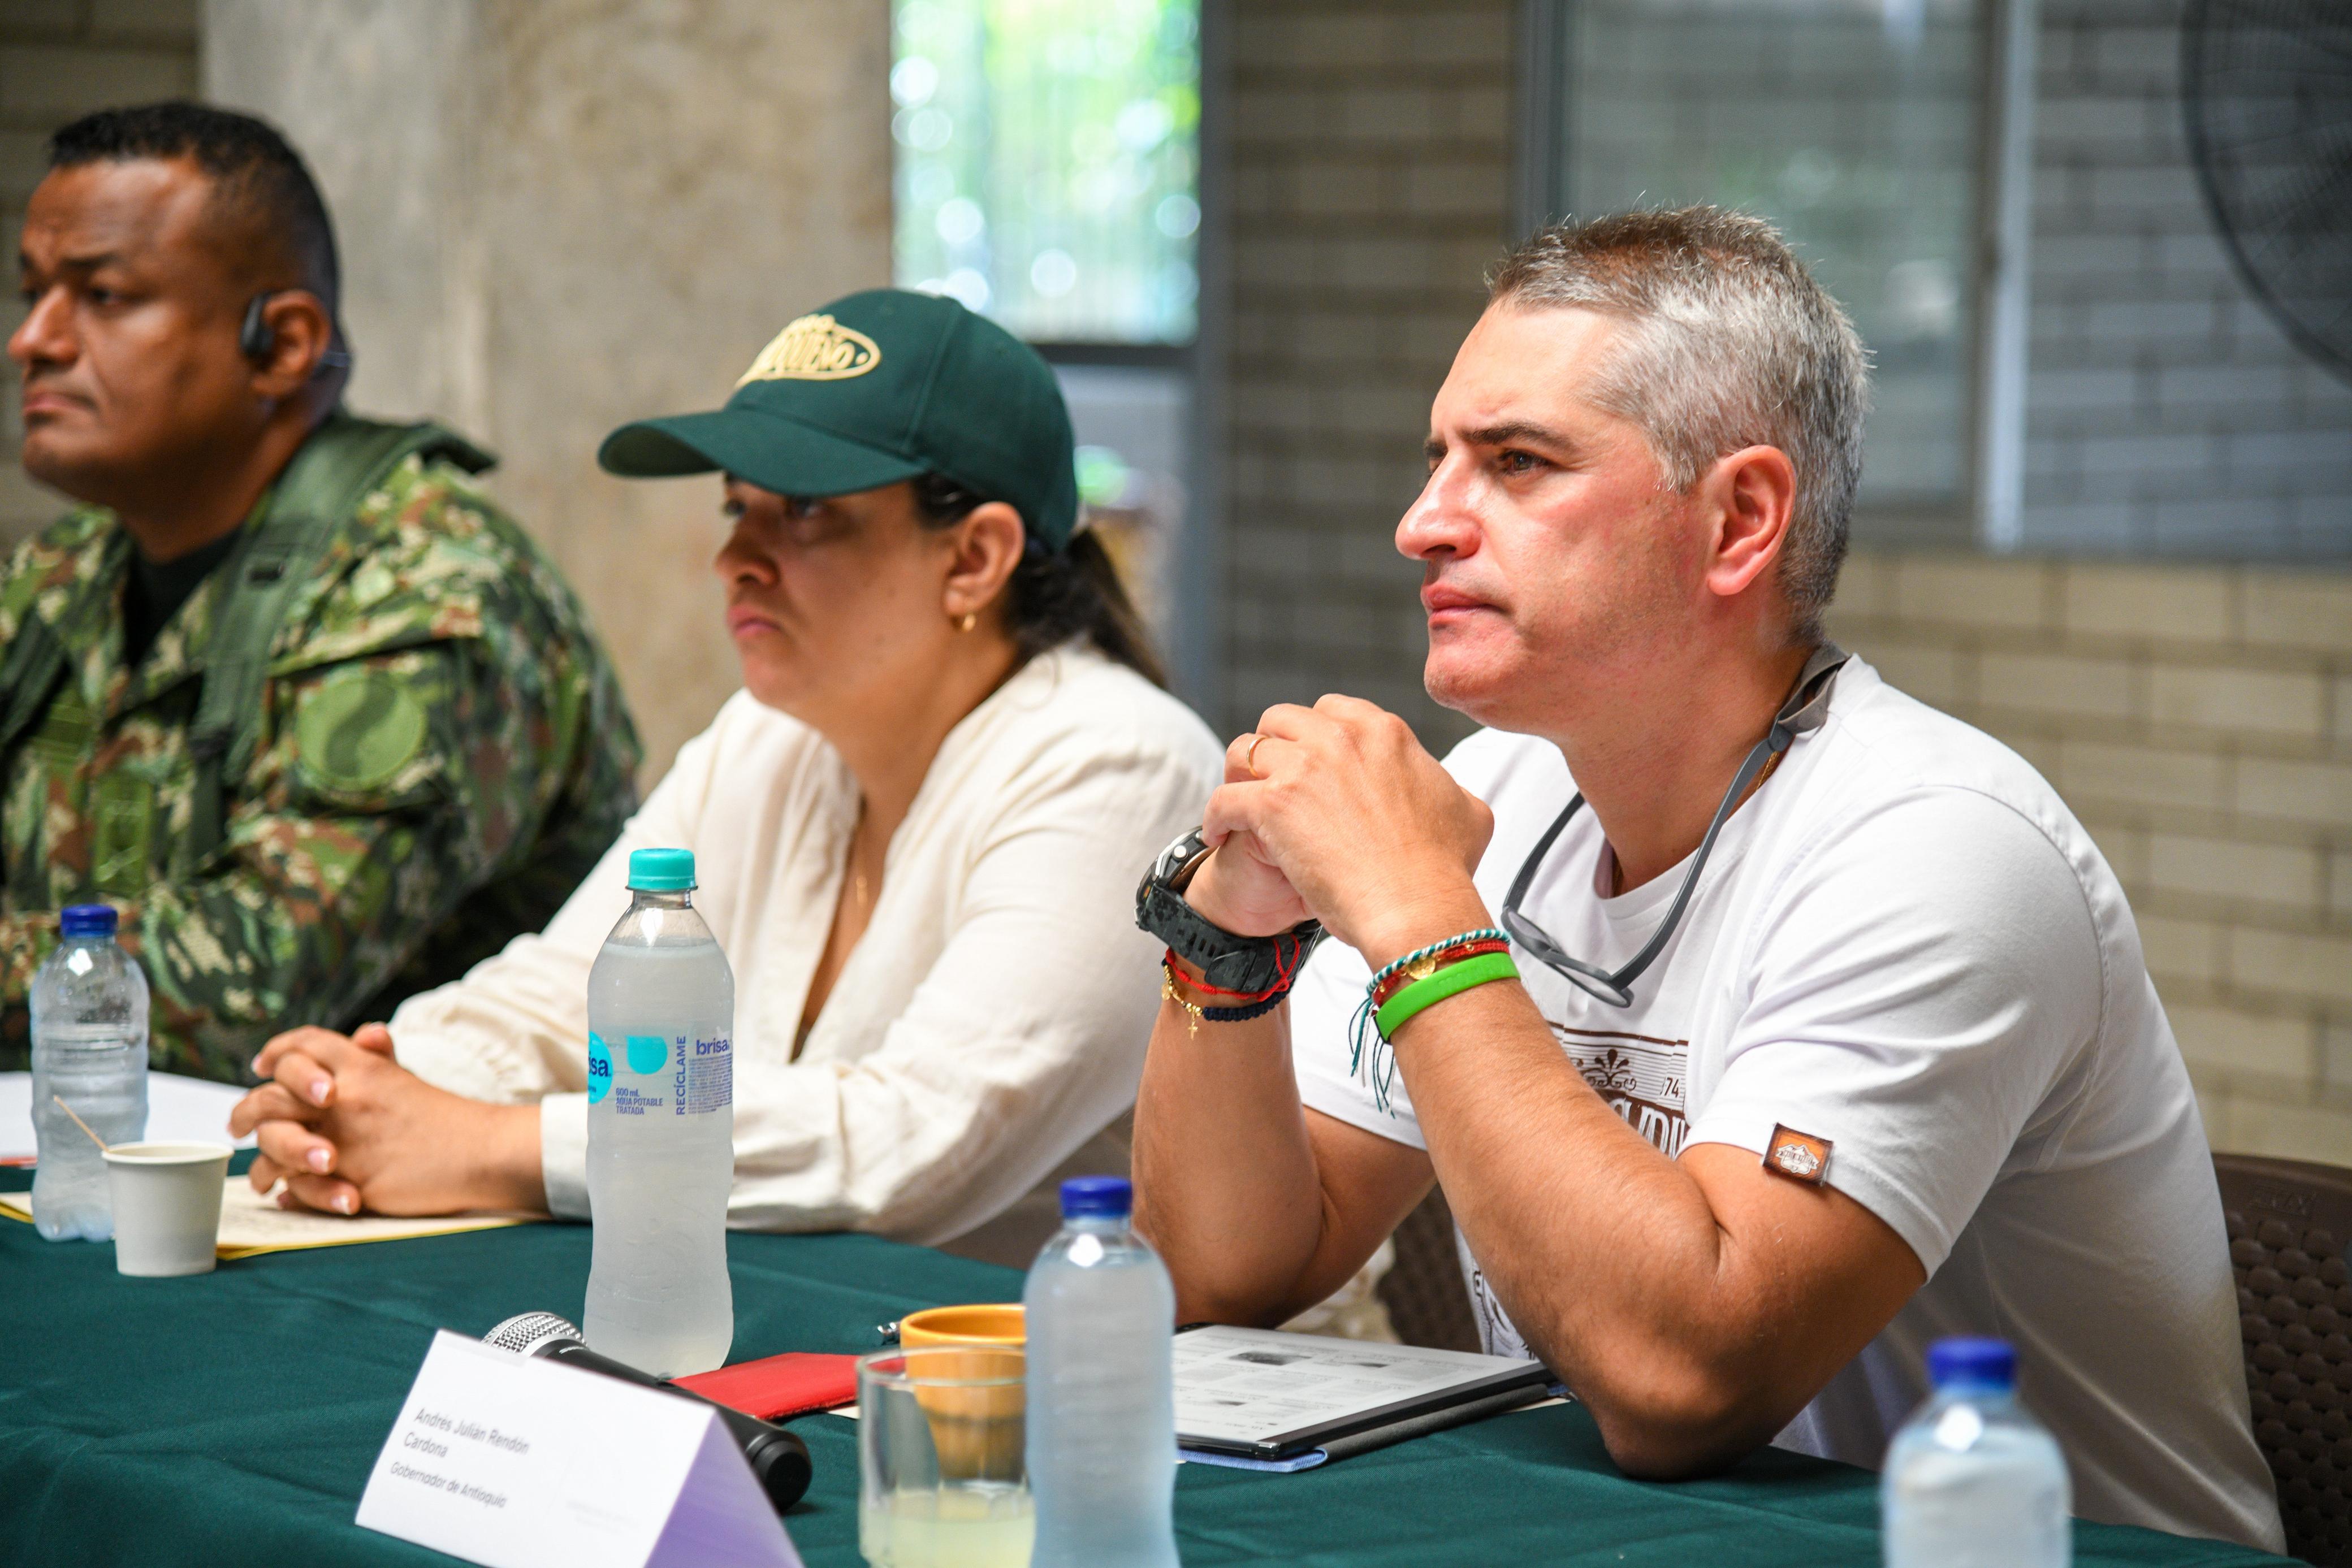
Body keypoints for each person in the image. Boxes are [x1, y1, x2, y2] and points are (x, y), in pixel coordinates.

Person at [1127, 209, 2284, 1551]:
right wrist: (1232, 937)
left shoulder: (1937, 844)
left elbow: (1687, 1381)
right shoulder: (1505, 785)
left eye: (1515, 463)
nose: (1421, 524)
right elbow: (1223, 1272)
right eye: (1436, 459)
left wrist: (1416, 919)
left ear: (1739, 519)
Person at [228, 288, 1224, 1257]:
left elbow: (911, 1141)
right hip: (808, 1338)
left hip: (1089, 1388)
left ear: (974, 557)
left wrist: (483, 1143)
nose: (734, 559)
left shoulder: (1121, 761)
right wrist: (362, 1091)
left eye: (801, 511)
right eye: (735, 508)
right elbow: (556, 1000)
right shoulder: (769, 733)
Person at [1, 102, 638, 1082]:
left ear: (282, 344)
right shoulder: (63, 577)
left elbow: (256, 982)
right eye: (34, 292)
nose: (34, 340)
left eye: (104, 296)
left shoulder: (429, 587)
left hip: (408, 1205)